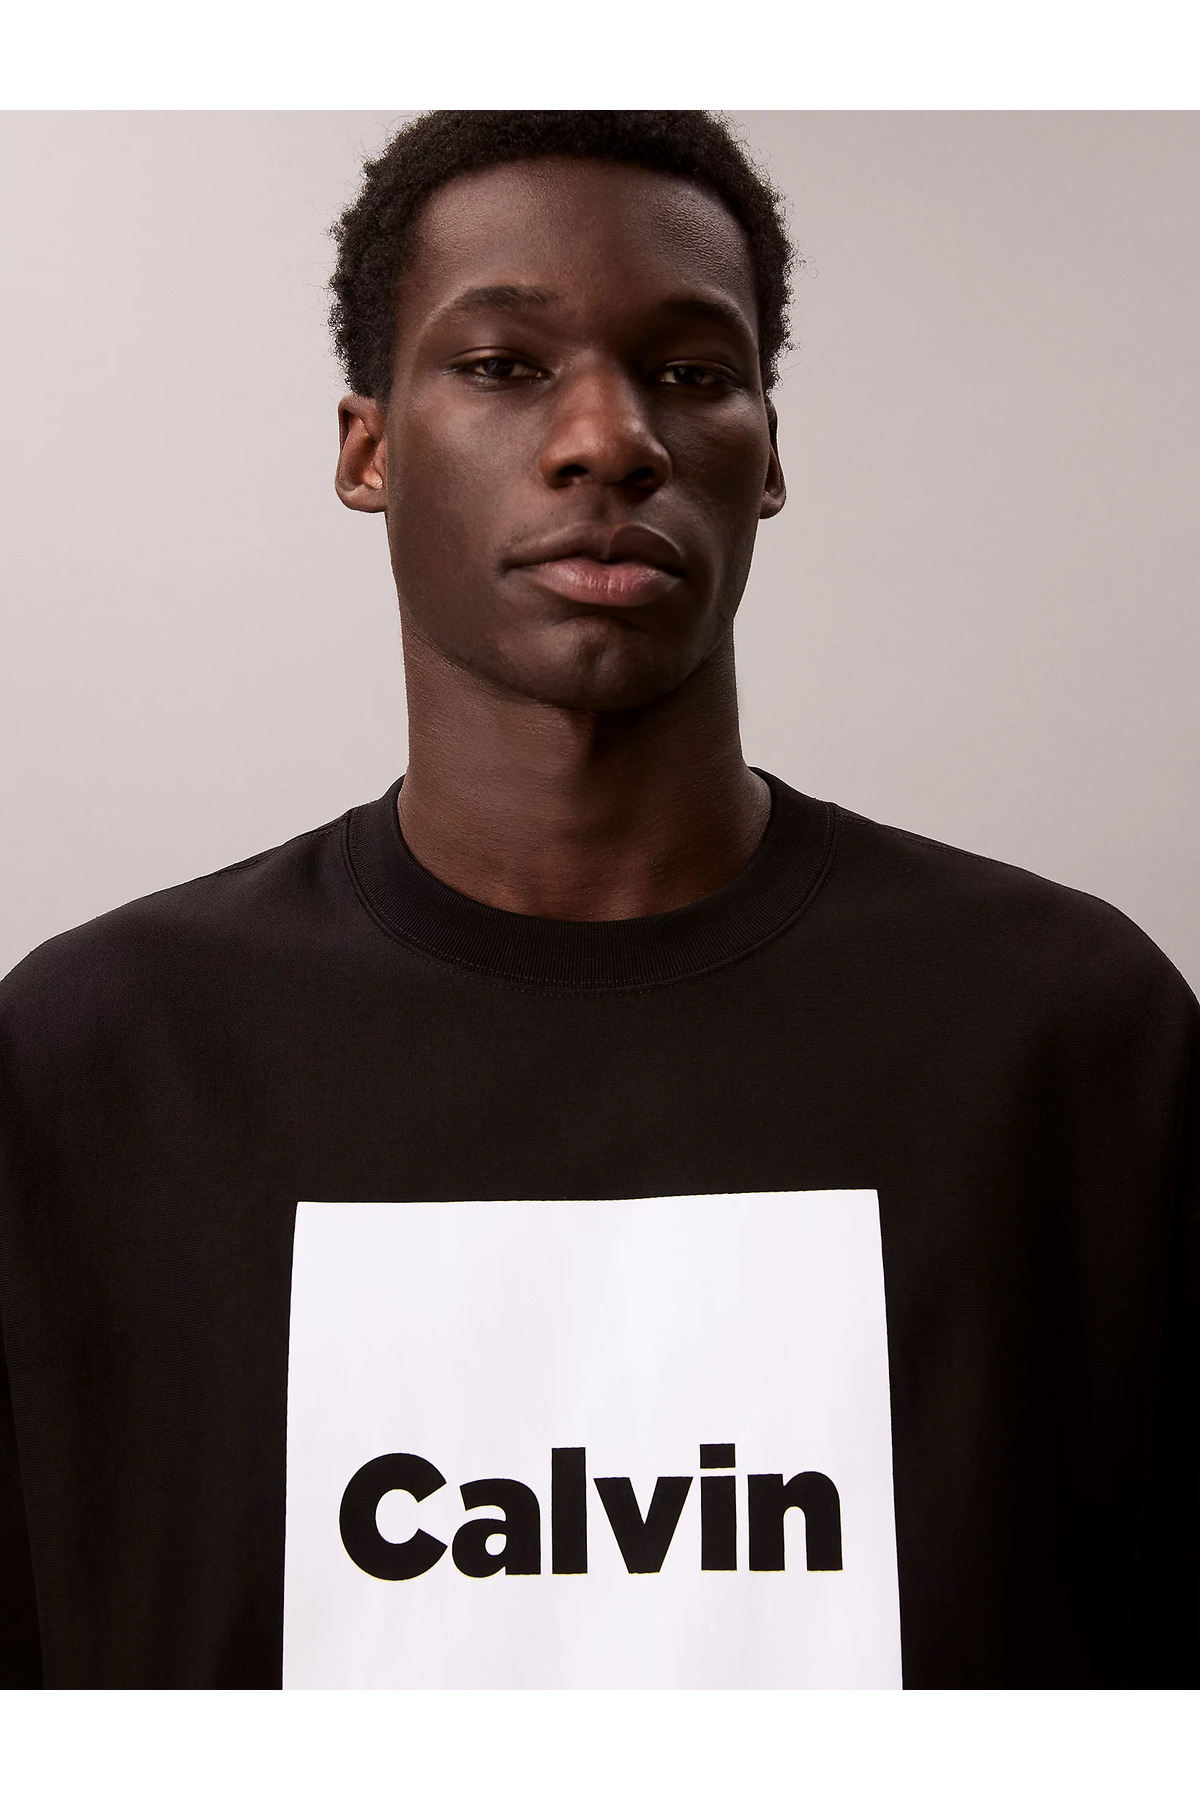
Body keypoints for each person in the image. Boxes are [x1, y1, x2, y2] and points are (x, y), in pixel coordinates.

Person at [0, 110, 1195, 1691]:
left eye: (691, 373)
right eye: (503, 365)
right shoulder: (95, 1064)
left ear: (768, 454)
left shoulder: (1067, 1038)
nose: (608, 440)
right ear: (368, 449)